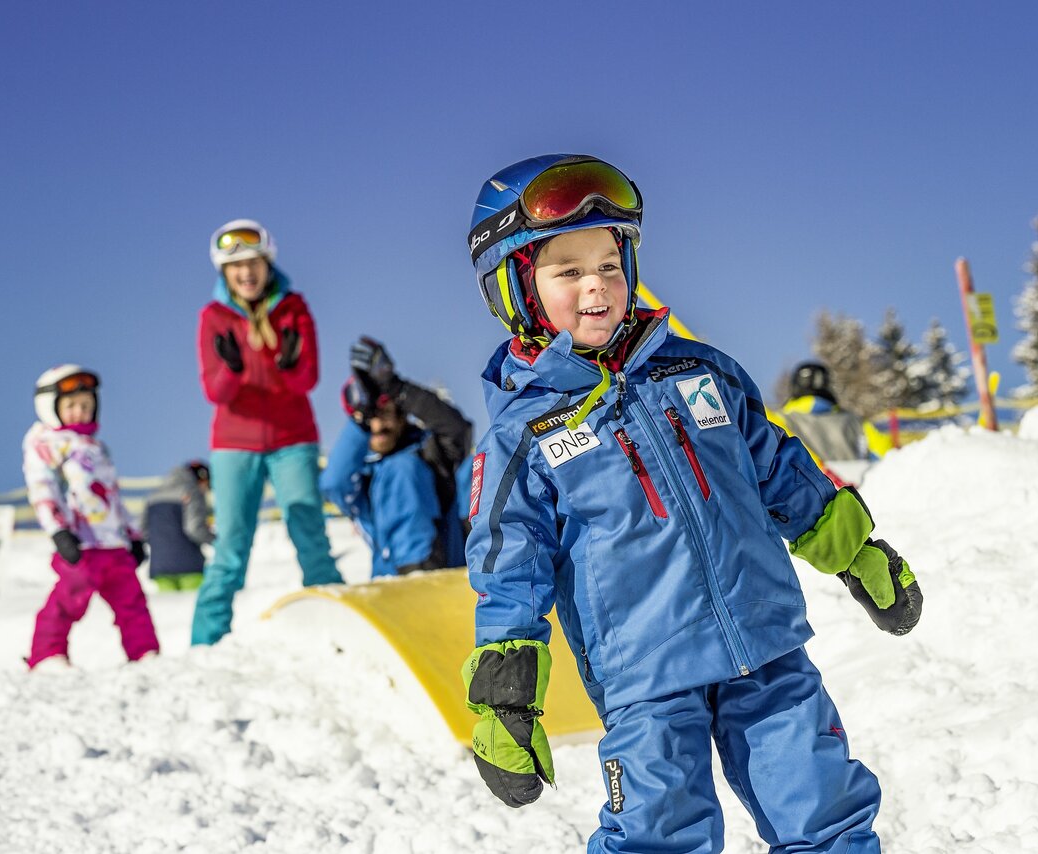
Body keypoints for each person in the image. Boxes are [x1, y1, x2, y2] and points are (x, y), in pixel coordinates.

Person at [458, 155, 924, 852]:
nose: (597, 286)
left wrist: (856, 552)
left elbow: (782, 472)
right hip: (644, 675)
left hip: (766, 645)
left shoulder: (699, 372)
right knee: (657, 835)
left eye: (610, 264)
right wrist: (506, 690)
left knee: (824, 809)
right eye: (568, 271)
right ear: (515, 289)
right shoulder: (526, 432)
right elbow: (508, 563)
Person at [192, 219, 342, 646]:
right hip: (234, 444)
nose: (246, 273)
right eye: (236, 266)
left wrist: (287, 361)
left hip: (292, 438)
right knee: (231, 548)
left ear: (267, 264)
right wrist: (234, 370)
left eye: (253, 262)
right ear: (224, 273)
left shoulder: (294, 307)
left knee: (309, 532)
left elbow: (306, 381)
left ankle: (337, 628)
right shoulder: (213, 318)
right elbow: (214, 391)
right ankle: (205, 644)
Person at [23, 365, 160, 669]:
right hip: (80, 543)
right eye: (70, 406)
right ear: (50, 408)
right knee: (68, 600)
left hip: (113, 543)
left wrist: (133, 536)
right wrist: (58, 531)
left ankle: (144, 653)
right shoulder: (45, 443)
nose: (79, 412)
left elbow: (112, 495)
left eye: (86, 405)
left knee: (133, 602)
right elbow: (42, 488)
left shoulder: (97, 448)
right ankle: (47, 655)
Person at [320, 336, 473, 576]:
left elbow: (457, 430)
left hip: (447, 575)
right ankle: (412, 576)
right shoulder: (364, 480)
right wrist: (359, 421)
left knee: (476, 467)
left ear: (402, 416)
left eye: (386, 414)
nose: (379, 425)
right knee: (398, 468)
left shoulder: (431, 454)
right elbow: (333, 483)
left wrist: (398, 388)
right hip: (392, 586)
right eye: (371, 418)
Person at [142, 461, 213, 592]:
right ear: (202, 478)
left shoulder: (152, 496)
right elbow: (194, 528)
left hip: (160, 567)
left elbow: (145, 532)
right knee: (193, 607)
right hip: (190, 566)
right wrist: (216, 540)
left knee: (170, 610)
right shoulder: (192, 492)